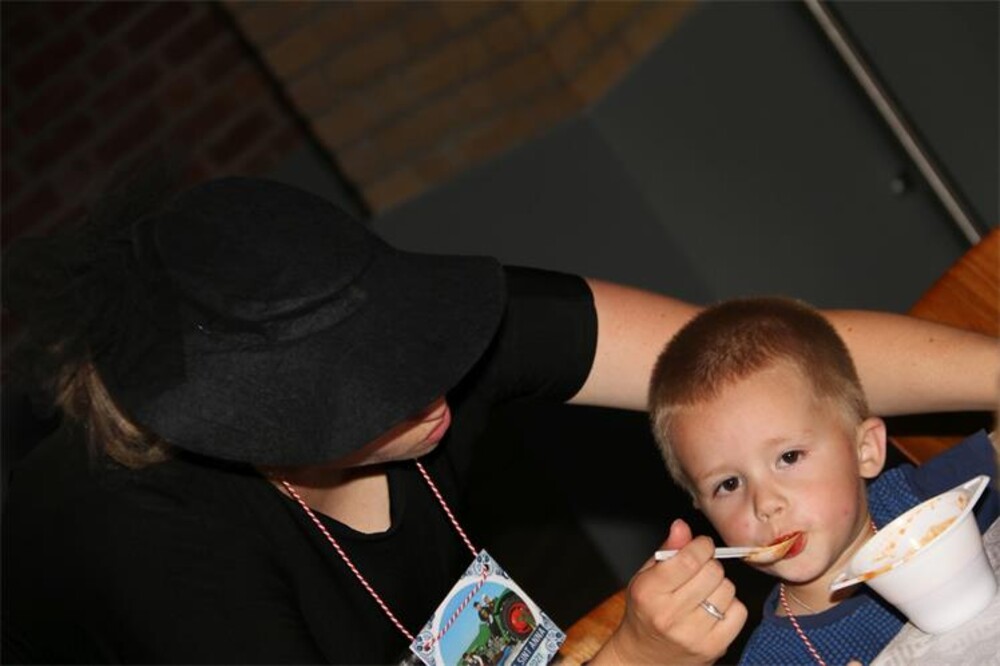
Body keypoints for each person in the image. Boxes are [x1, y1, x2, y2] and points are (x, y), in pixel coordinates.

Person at [1, 176, 997, 665]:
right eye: (375, 385)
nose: (433, 374)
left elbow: (762, 365)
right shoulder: (162, 564)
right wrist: (634, 662)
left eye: (405, 335)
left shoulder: (414, 334)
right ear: (265, 428)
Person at [647, 296, 1000, 665]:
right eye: (729, 484)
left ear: (865, 450)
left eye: (788, 457)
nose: (765, 504)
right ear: (703, 509)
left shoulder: (929, 503)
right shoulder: (774, 660)